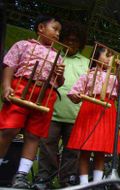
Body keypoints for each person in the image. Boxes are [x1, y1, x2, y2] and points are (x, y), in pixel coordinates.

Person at [0, 15, 64, 188]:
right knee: (9, 129)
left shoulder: (58, 56)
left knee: (34, 135)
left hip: (46, 95)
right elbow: (10, 65)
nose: (58, 34)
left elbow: (60, 82)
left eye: (59, 32)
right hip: (21, 89)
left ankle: (21, 175)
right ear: (41, 28)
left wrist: (60, 73)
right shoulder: (23, 45)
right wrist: (6, 87)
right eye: (55, 29)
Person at [35, 21, 89, 188]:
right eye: (68, 39)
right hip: (51, 111)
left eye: (75, 40)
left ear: (80, 43)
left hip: (75, 114)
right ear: (62, 39)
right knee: (47, 146)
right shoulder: (53, 55)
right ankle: (44, 179)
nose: (71, 43)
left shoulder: (87, 62)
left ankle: (67, 181)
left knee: (72, 151)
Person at [66, 46, 120, 185]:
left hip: (107, 111)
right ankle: (83, 183)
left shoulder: (113, 77)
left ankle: (97, 184)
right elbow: (75, 95)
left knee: (101, 150)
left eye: (111, 55)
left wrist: (119, 71)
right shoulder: (88, 74)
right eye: (107, 55)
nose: (110, 58)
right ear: (96, 57)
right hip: (90, 109)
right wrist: (76, 96)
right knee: (85, 149)